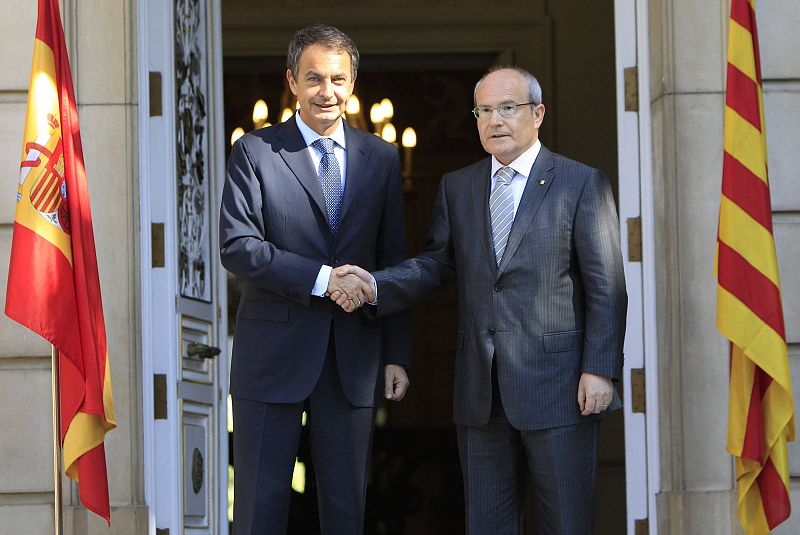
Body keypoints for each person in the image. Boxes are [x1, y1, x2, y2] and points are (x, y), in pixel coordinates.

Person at [332, 66, 627, 534]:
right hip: (480, 393)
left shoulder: (580, 183)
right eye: (485, 110)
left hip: (560, 388)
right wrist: (376, 285)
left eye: (508, 108)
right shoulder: (458, 186)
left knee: (566, 525)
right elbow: (437, 264)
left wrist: (600, 369)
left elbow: (606, 284)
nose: (496, 120)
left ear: (538, 114)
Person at [219, 24, 410, 535]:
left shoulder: (382, 159)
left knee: (346, 513)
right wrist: (324, 279)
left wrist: (397, 354)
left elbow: (394, 261)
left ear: (352, 83)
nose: (327, 91)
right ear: (292, 82)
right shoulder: (256, 152)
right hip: (271, 356)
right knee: (260, 510)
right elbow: (238, 247)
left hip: (353, 356)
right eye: (314, 79)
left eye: (338, 79)